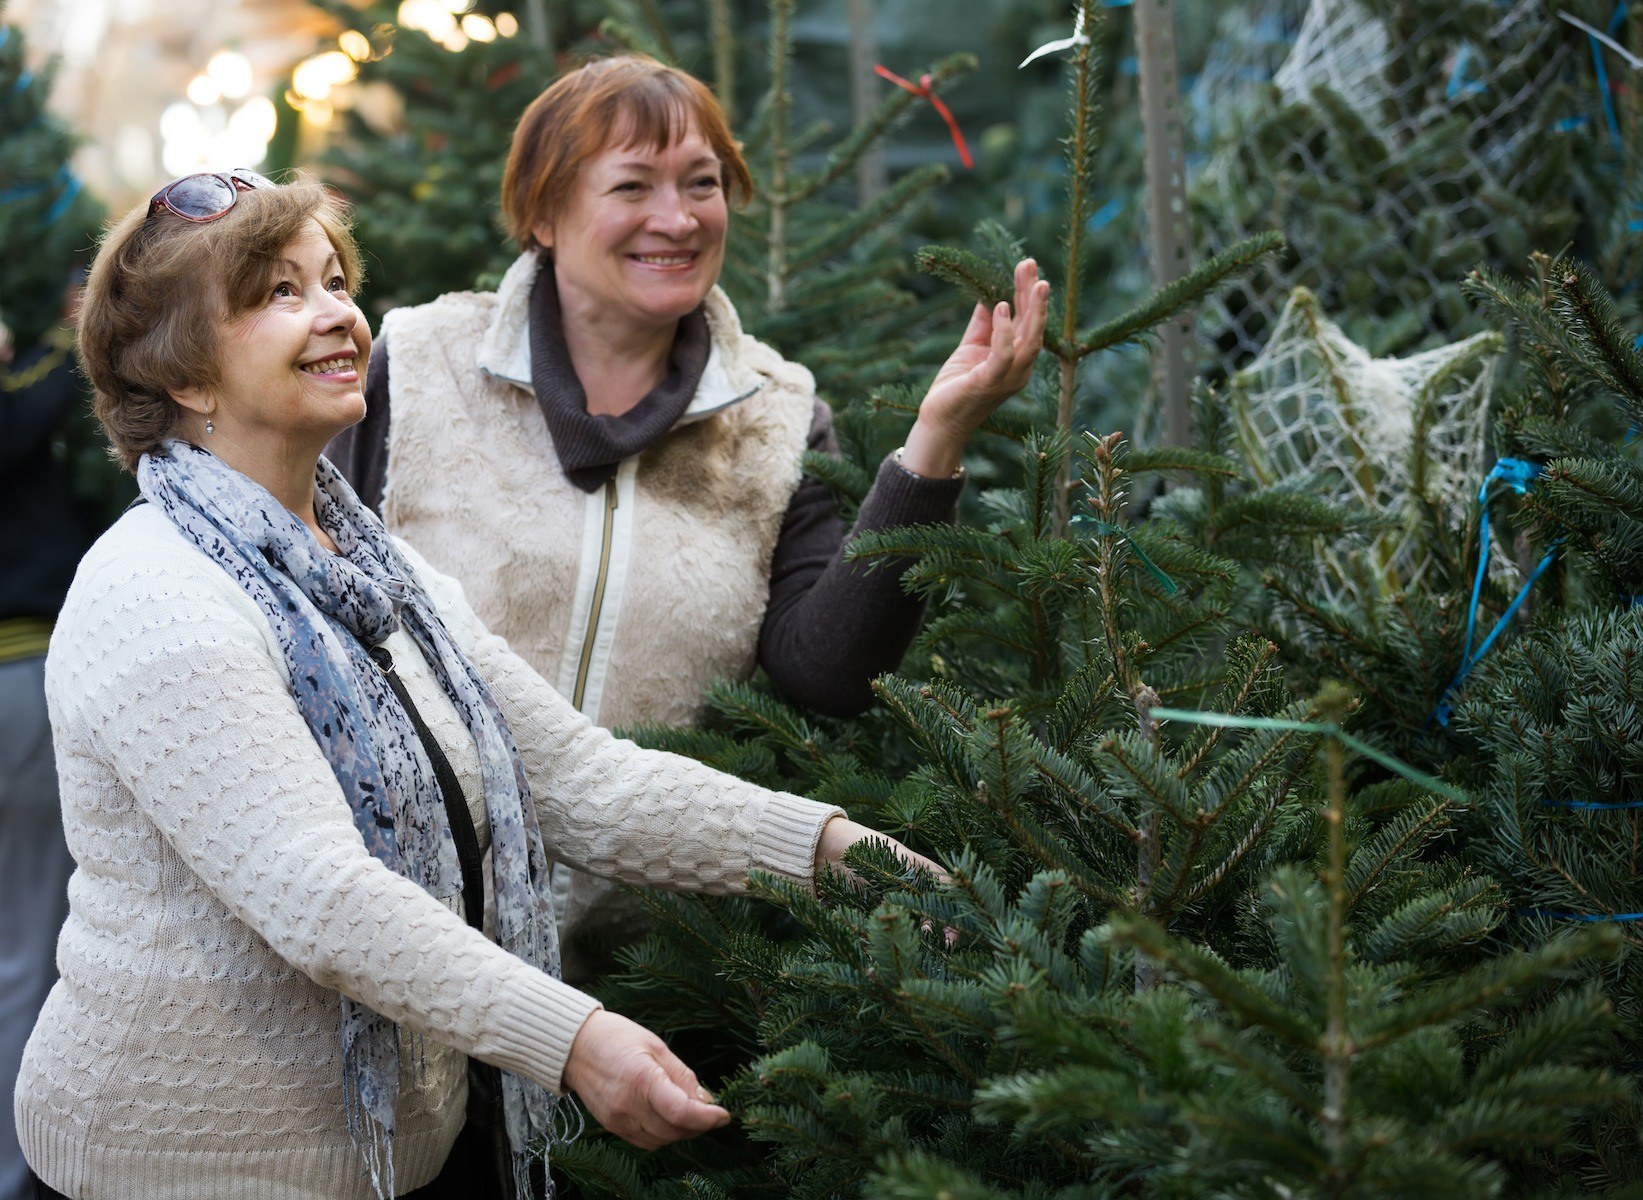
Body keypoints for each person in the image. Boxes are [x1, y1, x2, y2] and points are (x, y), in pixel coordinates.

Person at [14, 170, 942, 1200]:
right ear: (184, 375)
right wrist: (575, 1039)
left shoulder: (374, 569)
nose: (336, 316)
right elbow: (321, 898)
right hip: (174, 1168)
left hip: (393, 1158)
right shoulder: (157, 591)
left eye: (333, 281)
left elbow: (582, 782)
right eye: (278, 294)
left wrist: (834, 851)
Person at [327, 54, 1050, 981]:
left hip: (658, 972)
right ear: (543, 214)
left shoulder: (779, 413)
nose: (677, 219)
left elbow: (824, 672)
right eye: (632, 186)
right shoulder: (420, 362)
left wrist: (936, 438)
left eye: (701, 184)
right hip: (411, 933)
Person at [0, 292, 96, 1200]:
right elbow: (40, 401)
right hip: (17, 680)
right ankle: (20, 1172)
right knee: (31, 945)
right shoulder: (17, 399)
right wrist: (73, 333)